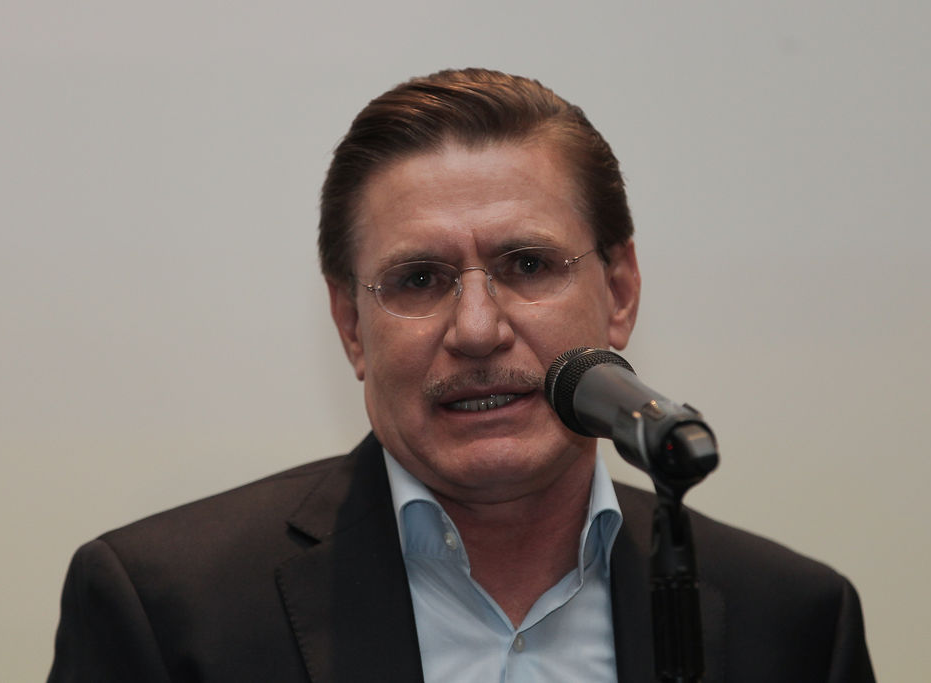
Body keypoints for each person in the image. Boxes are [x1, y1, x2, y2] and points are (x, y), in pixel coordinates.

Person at [48, 68, 876, 682]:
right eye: (419, 279)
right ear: (351, 325)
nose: (477, 329)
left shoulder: (791, 621)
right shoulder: (166, 611)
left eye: (528, 264)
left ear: (620, 290)